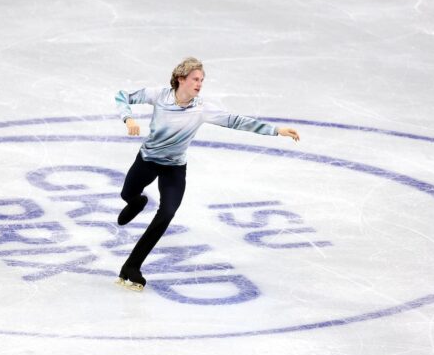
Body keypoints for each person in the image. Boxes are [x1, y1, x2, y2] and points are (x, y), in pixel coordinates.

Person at [114, 57, 300, 291]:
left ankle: (132, 266)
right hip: (148, 160)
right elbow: (123, 95)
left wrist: (277, 130)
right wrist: (128, 118)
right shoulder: (159, 95)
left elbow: (235, 121)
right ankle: (137, 201)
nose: (199, 84)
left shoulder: (201, 109)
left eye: (202, 80)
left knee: (167, 212)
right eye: (195, 79)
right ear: (181, 79)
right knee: (128, 194)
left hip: (174, 168)